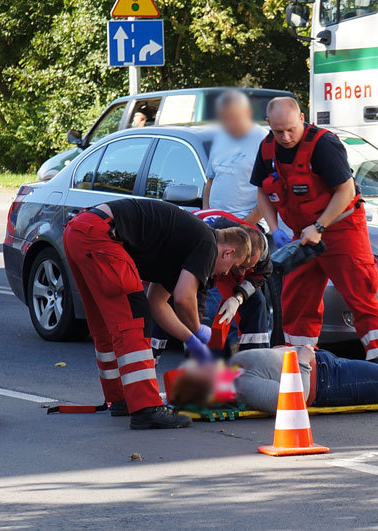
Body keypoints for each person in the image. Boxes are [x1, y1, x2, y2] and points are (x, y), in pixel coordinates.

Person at [63, 198, 251, 429]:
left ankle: (121, 398)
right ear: (228, 252)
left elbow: (158, 303)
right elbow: (184, 298)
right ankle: (146, 408)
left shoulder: (185, 248)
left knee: (106, 323)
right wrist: (196, 330)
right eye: (233, 267)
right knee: (136, 321)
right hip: (100, 236)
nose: (226, 274)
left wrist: (188, 339)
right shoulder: (208, 244)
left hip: (82, 230)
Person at [251, 97, 378, 367]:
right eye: (278, 130)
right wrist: (274, 229)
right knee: (296, 299)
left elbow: (346, 191)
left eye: (290, 129)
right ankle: (300, 367)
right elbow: (261, 189)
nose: (284, 137)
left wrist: (319, 227)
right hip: (302, 234)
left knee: (360, 294)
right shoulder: (267, 147)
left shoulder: (324, 145)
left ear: (302, 118)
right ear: (269, 124)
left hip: (342, 229)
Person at [169, 347, 378, 414]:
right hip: (329, 383)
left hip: (327, 365)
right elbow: (290, 399)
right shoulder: (242, 385)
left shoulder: (236, 369)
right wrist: (302, 361)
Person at [152, 209, 272, 358]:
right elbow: (194, 295)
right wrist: (194, 331)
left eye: (248, 268)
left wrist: (238, 297)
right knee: (168, 302)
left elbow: (262, 275)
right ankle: (152, 356)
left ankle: (254, 364)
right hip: (190, 257)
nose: (242, 274)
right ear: (231, 253)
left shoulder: (259, 247)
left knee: (256, 302)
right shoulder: (209, 246)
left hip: (224, 256)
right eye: (240, 267)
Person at [202, 90, 269, 225]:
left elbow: (270, 191)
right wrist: (206, 214)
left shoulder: (263, 139)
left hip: (248, 224)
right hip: (215, 223)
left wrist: (245, 225)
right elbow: (210, 181)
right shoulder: (221, 137)